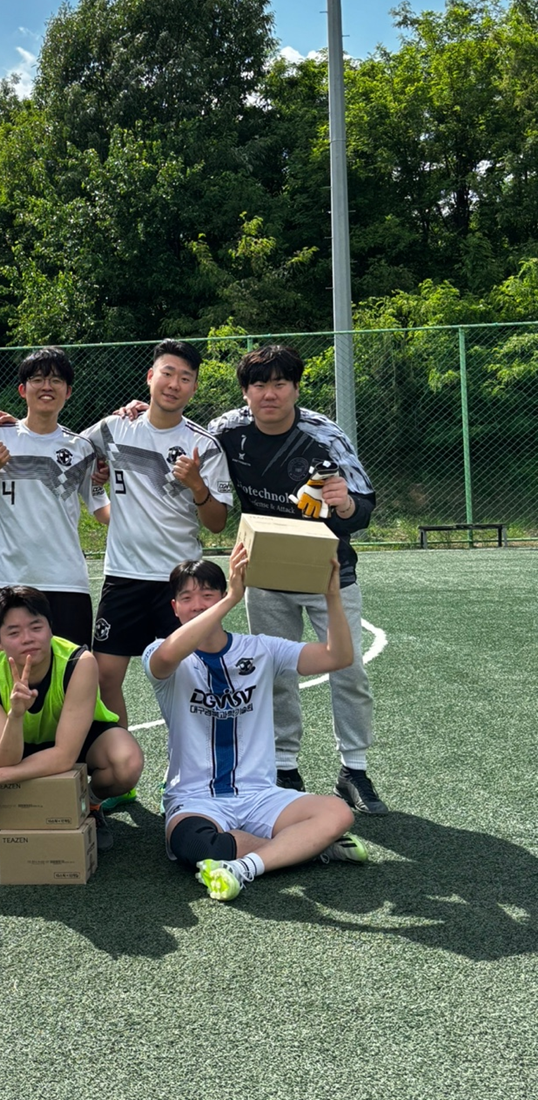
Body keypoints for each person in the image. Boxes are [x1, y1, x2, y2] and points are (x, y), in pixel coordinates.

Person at [208, 344, 387, 815]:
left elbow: (364, 507)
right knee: (274, 671)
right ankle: (284, 765)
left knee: (348, 670)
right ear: (245, 392)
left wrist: (344, 503)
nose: (269, 394)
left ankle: (354, 769)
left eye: (280, 384)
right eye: (259, 385)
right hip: (266, 575)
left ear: (296, 389)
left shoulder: (324, 435)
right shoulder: (225, 431)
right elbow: (175, 437)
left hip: (329, 574)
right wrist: (138, 409)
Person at [143, 546, 368, 902]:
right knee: (197, 846)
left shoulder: (261, 649)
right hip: (195, 797)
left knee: (337, 813)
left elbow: (337, 657)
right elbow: (168, 655)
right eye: (187, 598)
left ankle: (243, 867)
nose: (198, 604)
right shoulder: (159, 651)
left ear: (221, 596)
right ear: (175, 608)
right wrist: (232, 598)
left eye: (208, 595)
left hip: (260, 794)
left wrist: (332, 595)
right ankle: (308, 847)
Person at [81, 339, 232, 729]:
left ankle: (194, 762)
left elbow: (217, 522)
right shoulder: (115, 428)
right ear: (150, 376)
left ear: (194, 387)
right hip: (124, 576)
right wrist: (98, 496)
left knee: (191, 678)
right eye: (167, 373)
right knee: (104, 677)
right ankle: (120, 762)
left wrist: (197, 485)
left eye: (185, 378)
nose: (174, 384)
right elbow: (69, 453)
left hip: (179, 581)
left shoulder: (203, 446)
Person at [0, 586, 144, 850]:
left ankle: (88, 805)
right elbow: (2, 760)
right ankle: (13, 811)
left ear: (50, 628)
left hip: (78, 742)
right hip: (17, 743)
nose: (28, 638)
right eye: (14, 632)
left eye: (36, 627)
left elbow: (64, 755)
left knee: (126, 761)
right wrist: (16, 715)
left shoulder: (79, 662)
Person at [0, 346, 110, 647]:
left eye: (56, 380)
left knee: (75, 669)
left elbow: (100, 507)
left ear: (68, 392)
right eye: (38, 379)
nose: (46, 387)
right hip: (9, 581)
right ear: (22, 390)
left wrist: (142, 516)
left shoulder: (81, 448)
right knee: (13, 671)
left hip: (67, 581)